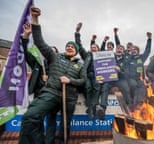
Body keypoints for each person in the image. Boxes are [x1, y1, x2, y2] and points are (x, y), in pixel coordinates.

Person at [19, 6, 86, 144]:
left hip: (70, 97)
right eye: (67, 46)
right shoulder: (54, 56)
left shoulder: (81, 65)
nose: (69, 47)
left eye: (72, 47)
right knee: (30, 117)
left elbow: (83, 81)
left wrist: (70, 80)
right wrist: (35, 20)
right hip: (51, 93)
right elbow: (40, 42)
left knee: (65, 125)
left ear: (76, 51)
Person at [75, 23, 108, 120]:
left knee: (97, 89)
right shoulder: (87, 55)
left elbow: (107, 68)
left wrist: (104, 78)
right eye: (92, 47)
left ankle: (92, 108)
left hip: (98, 77)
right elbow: (79, 47)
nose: (93, 48)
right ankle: (91, 108)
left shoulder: (102, 57)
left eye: (95, 47)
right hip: (87, 76)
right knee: (88, 88)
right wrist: (77, 33)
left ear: (98, 50)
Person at [126, 32, 152, 110]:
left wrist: (149, 39)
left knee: (142, 86)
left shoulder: (141, 58)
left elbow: (147, 51)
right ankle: (132, 105)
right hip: (130, 79)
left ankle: (139, 104)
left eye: (135, 49)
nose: (134, 51)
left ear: (138, 51)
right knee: (134, 85)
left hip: (139, 79)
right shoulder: (128, 58)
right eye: (132, 50)